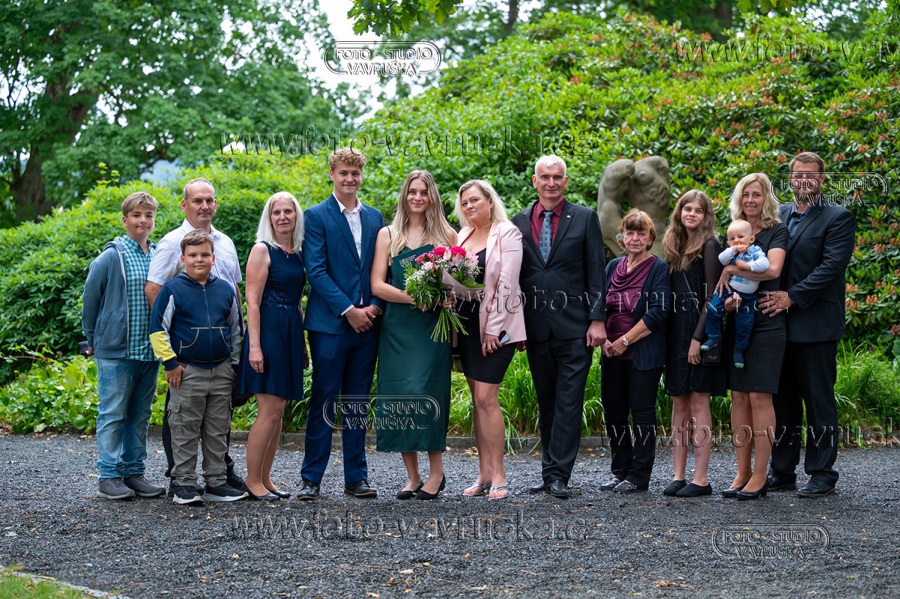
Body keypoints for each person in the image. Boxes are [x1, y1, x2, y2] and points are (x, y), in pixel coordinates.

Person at [511, 155, 607, 499]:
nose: (551, 183)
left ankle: (559, 475)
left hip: (575, 326)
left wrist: (597, 319)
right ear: (534, 181)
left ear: (565, 182)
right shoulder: (517, 222)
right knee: (547, 401)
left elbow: (596, 271)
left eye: (557, 177)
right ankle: (548, 470)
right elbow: (514, 278)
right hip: (536, 328)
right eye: (545, 177)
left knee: (568, 401)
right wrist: (514, 325)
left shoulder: (585, 218)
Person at [764, 151, 856, 498]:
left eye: (810, 175)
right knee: (783, 402)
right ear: (790, 179)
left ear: (822, 179)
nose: (803, 180)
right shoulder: (779, 214)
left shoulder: (838, 217)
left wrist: (792, 296)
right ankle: (782, 471)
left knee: (819, 401)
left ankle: (822, 473)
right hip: (777, 325)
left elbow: (830, 267)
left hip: (815, 324)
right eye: (797, 175)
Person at [145, 178, 244, 494]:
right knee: (183, 422)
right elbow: (155, 293)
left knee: (218, 425)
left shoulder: (225, 243)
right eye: (197, 200)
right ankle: (181, 480)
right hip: (186, 363)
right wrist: (172, 356)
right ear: (184, 205)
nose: (204, 206)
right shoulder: (172, 243)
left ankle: (218, 479)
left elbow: (235, 300)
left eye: (209, 200)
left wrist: (235, 361)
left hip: (221, 360)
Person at [299, 148, 385, 500]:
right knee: (324, 398)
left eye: (355, 173)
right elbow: (316, 271)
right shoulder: (315, 216)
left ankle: (356, 477)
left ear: (361, 175)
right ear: (331, 174)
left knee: (357, 401)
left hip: (369, 324)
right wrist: (349, 310)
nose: (350, 178)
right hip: (331, 325)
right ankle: (310, 479)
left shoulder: (375, 217)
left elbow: (383, 267)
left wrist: (375, 306)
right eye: (343, 172)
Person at [370, 171, 457, 500]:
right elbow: (377, 285)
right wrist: (412, 298)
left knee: (428, 391)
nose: (417, 198)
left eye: (423, 192)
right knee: (400, 395)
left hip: (431, 328)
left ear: (432, 196)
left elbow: (457, 282)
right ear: (404, 196)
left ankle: (437, 473)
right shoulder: (388, 235)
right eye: (412, 192)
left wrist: (449, 295)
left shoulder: (446, 234)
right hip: (397, 327)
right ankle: (413, 476)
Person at [82, 192, 165, 500]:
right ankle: (108, 475)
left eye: (149, 215)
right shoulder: (111, 257)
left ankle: (134, 472)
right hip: (116, 349)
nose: (143, 220)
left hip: (149, 350)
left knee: (140, 414)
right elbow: (91, 299)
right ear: (125, 219)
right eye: (137, 215)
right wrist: (92, 338)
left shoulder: (158, 254)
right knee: (113, 413)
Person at [715, 173, 788, 500]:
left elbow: (772, 270)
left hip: (768, 320)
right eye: (745, 195)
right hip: (739, 318)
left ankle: (761, 475)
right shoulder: (734, 231)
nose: (750, 200)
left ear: (766, 198)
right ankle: (742, 471)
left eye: (756, 194)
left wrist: (732, 269)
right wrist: (729, 299)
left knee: (759, 396)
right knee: (739, 397)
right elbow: (726, 283)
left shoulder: (777, 230)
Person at [455, 180, 526, 501]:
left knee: (486, 398)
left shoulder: (507, 233)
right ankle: (483, 474)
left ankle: (499, 474)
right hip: (466, 325)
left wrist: (492, 330)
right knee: (477, 400)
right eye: (465, 203)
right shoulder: (462, 236)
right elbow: (457, 281)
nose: (469, 206)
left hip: (497, 327)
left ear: (489, 201)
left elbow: (507, 284)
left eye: (475, 200)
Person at [236, 192, 307, 501]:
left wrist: (302, 344)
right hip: (267, 334)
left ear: (296, 215)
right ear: (269, 217)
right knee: (269, 409)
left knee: (278, 411)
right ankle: (252, 481)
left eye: (288, 211)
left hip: (290, 332)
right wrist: (255, 347)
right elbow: (251, 302)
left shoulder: (299, 253)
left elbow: (297, 301)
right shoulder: (262, 250)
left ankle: (265, 479)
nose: (282, 217)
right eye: (276, 212)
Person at [661, 190, 726, 498]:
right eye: (687, 208)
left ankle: (701, 479)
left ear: (705, 216)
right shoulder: (673, 245)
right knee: (679, 402)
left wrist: (697, 339)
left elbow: (713, 297)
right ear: (679, 212)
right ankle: (678, 475)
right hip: (675, 333)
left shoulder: (710, 245)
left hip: (699, 332)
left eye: (698, 211)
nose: (692, 214)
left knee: (699, 401)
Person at [600, 209, 670, 494]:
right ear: (622, 237)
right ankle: (620, 471)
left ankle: (639, 476)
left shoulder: (658, 268)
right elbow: (600, 305)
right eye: (630, 232)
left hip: (642, 354)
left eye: (642, 233)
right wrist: (604, 340)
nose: (635, 238)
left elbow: (658, 312)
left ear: (650, 238)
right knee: (614, 413)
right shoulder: (612, 266)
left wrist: (625, 341)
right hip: (611, 354)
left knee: (641, 414)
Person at [702, 219, 770, 368]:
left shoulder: (756, 252)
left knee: (745, 324)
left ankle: (739, 350)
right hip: (728, 290)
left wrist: (747, 266)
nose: (736, 241)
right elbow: (721, 259)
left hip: (748, 297)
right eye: (732, 238)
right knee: (712, 310)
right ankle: (713, 336)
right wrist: (733, 250)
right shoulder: (731, 253)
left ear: (751, 239)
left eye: (740, 237)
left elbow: (765, 265)